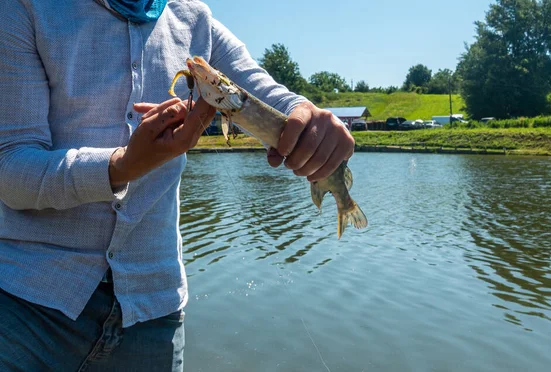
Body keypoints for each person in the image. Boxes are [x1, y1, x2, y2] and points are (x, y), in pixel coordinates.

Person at [0, 0, 355, 371]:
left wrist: (308, 116)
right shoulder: (24, 8)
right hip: (27, 309)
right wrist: (122, 166)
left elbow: (259, 91)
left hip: (153, 315)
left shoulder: (194, 19)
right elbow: (9, 166)